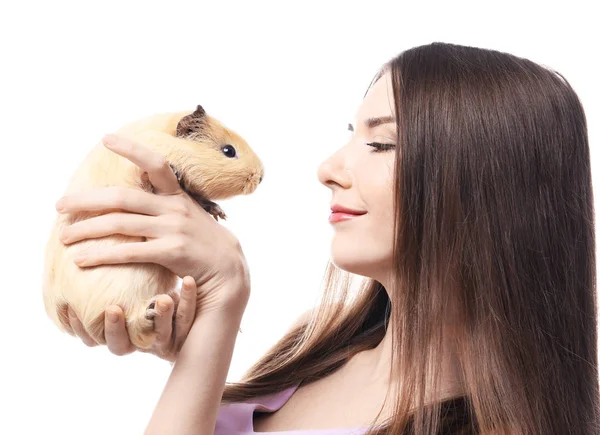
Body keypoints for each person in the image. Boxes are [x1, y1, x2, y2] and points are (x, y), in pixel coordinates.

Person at [54, 42, 599, 434]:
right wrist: (205, 344)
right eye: (350, 135)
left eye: (382, 144)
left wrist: (226, 288)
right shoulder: (313, 350)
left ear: (488, 185)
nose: (328, 169)